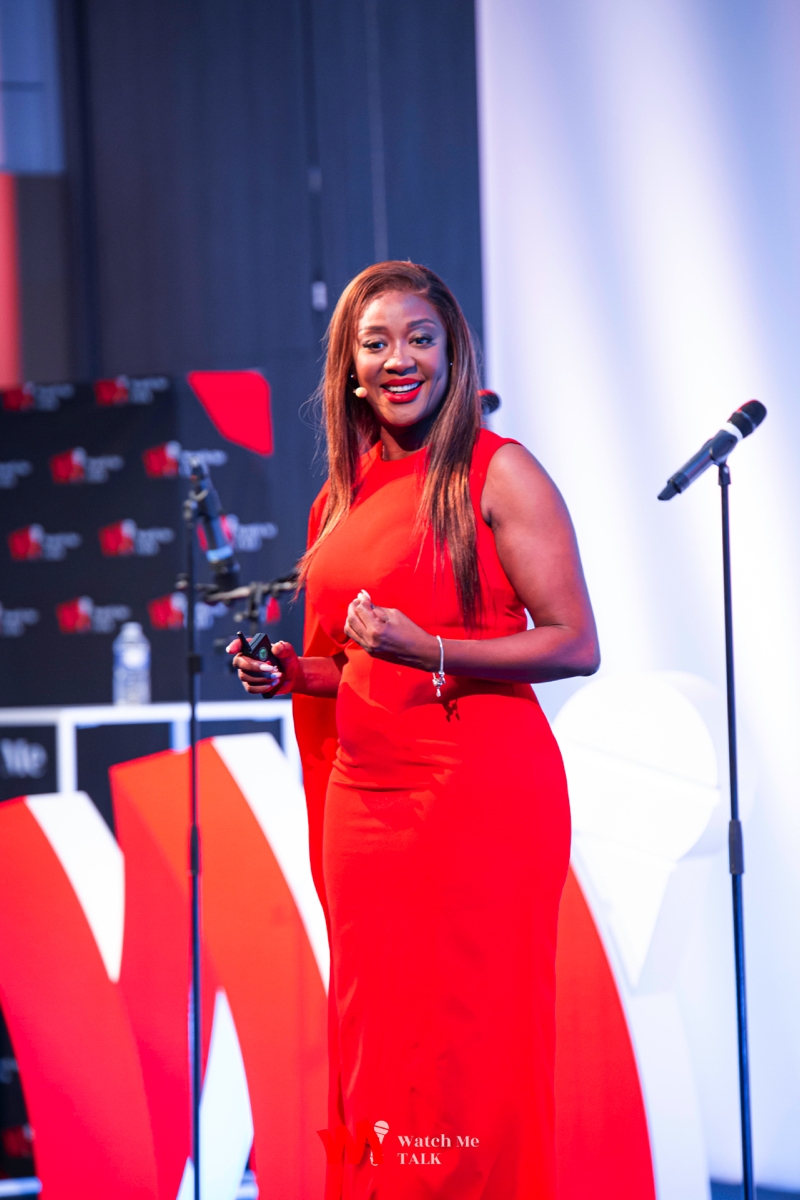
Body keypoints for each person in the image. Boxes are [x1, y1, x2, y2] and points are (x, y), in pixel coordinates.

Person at [230, 261, 599, 1199]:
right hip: (365, 807)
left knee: (470, 1041)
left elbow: (574, 643)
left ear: (452, 352)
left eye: (419, 338)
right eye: (377, 343)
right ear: (350, 370)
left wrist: (430, 646)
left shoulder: (498, 470)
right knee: (379, 1036)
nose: (400, 359)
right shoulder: (338, 499)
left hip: (473, 798)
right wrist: (294, 673)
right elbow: (361, 661)